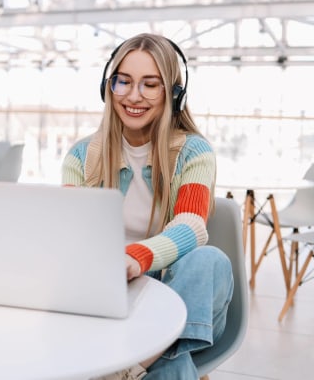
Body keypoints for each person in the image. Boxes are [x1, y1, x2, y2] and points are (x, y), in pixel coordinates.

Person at [62, 33, 234, 380]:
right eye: (123, 81)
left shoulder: (194, 152)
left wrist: (135, 257)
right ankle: (149, 365)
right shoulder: (81, 156)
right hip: (108, 290)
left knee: (209, 260)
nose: (133, 96)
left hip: (172, 290)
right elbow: (71, 231)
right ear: (108, 87)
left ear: (174, 93)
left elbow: (192, 225)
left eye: (150, 85)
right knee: (174, 365)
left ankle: (127, 368)